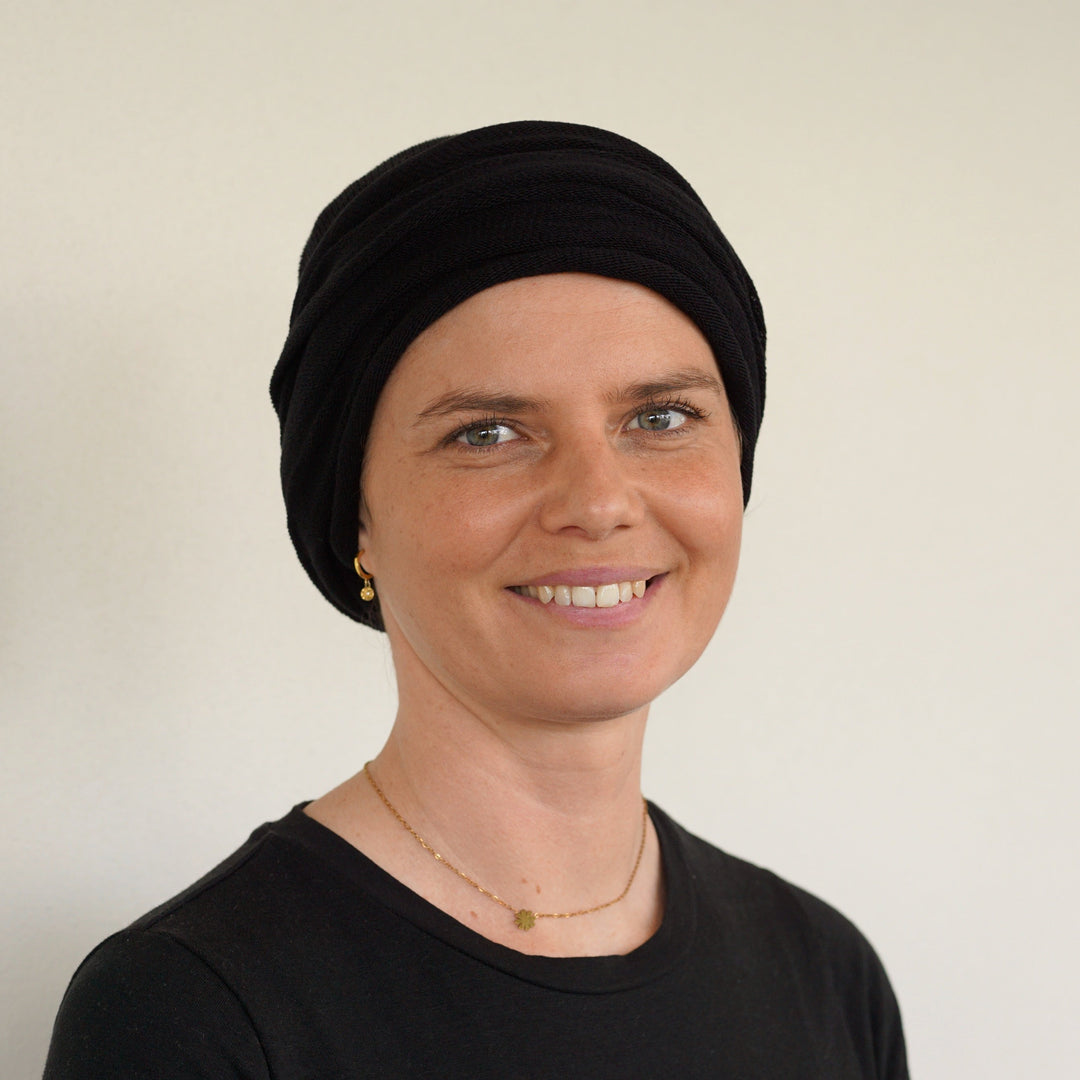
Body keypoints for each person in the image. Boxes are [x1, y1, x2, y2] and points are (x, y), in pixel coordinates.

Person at [44, 121, 908, 1078]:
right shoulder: (191, 1009)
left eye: (661, 418)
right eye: (488, 433)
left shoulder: (826, 977)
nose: (599, 502)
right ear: (356, 518)